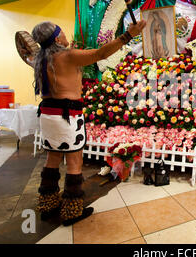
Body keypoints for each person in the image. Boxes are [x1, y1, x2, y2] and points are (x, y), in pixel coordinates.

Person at [31, 20, 146, 226]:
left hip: (48, 114)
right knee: (75, 162)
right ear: (57, 39)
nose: (65, 36)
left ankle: (47, 204)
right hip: (67, 114)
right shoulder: (67, 55)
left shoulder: (40, 59)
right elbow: (101, 54)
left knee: (53, 158)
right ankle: (72, 210)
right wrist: (128, 35)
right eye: (62, 32)